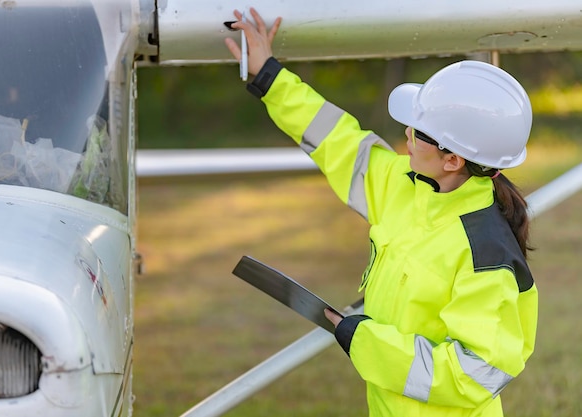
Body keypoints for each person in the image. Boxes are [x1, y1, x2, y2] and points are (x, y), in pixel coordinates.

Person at [226, 8, 538, 417]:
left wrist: (369, 344)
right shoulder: (403, 183)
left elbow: (473, 375)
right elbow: (335, 138)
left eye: (419, 130)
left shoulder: (486, 255)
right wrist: (268, 76)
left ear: (452, 160)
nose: (406, 131)